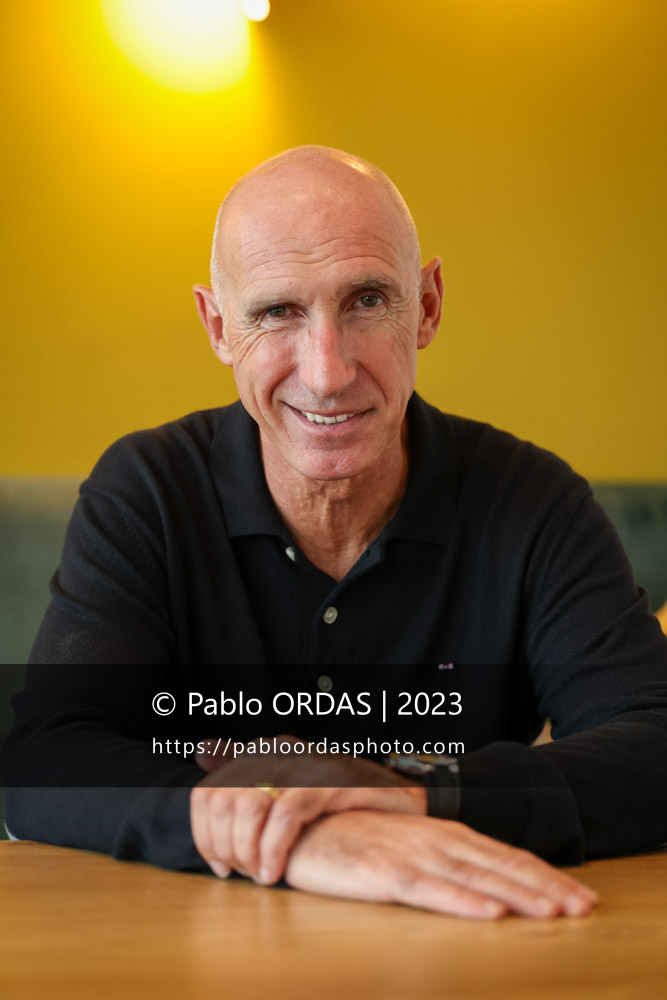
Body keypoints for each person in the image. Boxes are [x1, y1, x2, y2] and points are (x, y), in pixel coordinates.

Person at [4, 146, 667, 921]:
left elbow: (652, 742)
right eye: (276, 311)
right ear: (218, 327)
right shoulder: (147, 491)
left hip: (464, 949)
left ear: (425, 307)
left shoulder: (533, 500)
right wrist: (299, 836)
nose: (326, 371)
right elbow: (45, 757)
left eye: (365, 301)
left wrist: (410, 797)